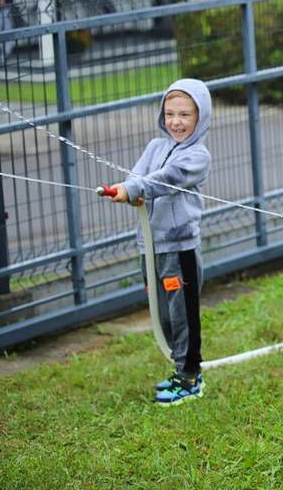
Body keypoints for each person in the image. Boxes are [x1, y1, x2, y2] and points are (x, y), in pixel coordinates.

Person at [106, 79, 212, 405]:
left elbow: (167, 179)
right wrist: (128, 188)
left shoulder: (197, 156)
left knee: (182, 315)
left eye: (185, 115)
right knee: (163, 314)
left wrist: (134, 190)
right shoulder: (155, 147)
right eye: (170, 114)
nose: (176, 122)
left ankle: (190, 377)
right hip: (150, 247)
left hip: (179, 249)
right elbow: (138, 175)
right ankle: (180, 370)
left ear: (201, 117)